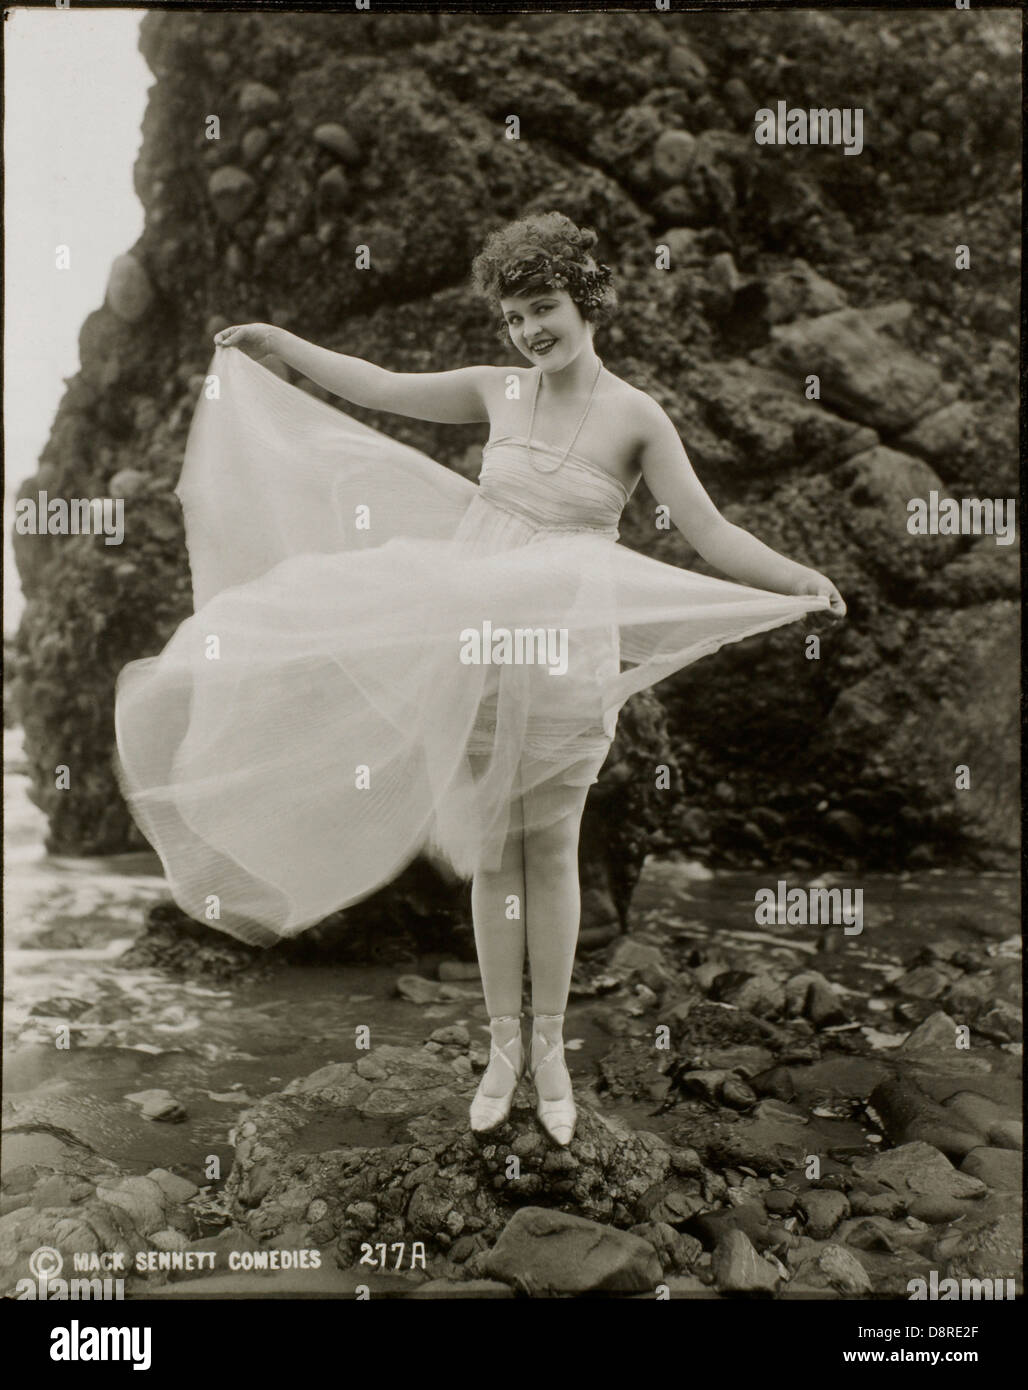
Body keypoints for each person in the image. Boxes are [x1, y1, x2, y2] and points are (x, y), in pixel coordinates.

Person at [114, 211, 843, 1149]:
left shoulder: (636, 416)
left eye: (543, 308)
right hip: (476, 647)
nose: (531, 331)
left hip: (567, 655)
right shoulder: (498, 390)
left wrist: (796, 579)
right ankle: (503, 1050)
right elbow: (377, 388)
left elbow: (709, 532)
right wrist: (277, 343)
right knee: (493, 856)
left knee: (553, 852)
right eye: (513, 317)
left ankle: (550, 1053)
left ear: (585, 300)